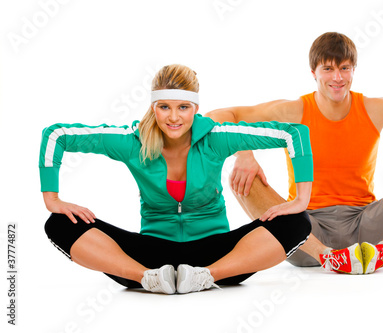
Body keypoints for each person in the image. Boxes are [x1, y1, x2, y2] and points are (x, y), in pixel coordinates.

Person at [40, 64, 314, 294]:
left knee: (298, 221)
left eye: (183, 107)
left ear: (195, 107)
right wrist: (52, 199)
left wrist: (301, 199)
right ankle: (148, 279)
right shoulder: (131, 142)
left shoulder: (215, 138)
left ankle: (205, 276)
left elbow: (294, 134)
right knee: (60, 223)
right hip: (150, 256)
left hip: (217, 253)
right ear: (153, 107)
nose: (173, 117)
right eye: (164, 107)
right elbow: (57, 135)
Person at [206, 32, 383, 274]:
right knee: (243, 180)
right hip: (305, 231)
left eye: (344, 68)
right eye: (328, 68)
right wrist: (244, 154)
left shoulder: (374, 108)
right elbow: (219, 116)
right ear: (314, 73)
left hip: (366, 225)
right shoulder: (293, 111)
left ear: (353, 71)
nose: (337, 77)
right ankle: (328, 257)